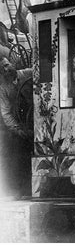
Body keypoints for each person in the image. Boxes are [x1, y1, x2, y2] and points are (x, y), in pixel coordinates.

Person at [0, 57, 33, 198]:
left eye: (7, 65)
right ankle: (24, 191)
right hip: (21, 126)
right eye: (2, 69)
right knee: (20, 156)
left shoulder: (27, 74)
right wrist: (19, 130)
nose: (6, 69)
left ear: (12, 64)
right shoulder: (3, 89)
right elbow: (6, 113)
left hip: (36, 119)